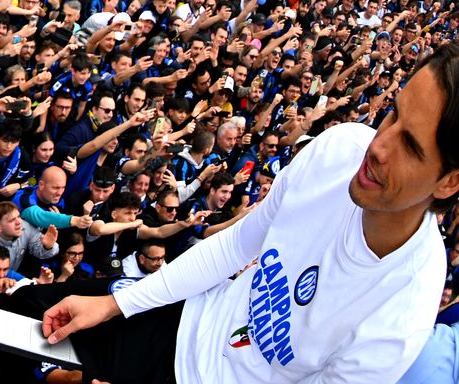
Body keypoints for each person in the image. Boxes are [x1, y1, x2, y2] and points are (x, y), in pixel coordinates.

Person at [36, 43, 459, 384]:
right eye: (393, 116)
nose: (379, 147)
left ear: (448, 182)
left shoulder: (403, 312)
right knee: (26, 312)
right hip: (189, 319)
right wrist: (118, 304)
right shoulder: (340, 150)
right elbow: (238, 244)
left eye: (411, 147)